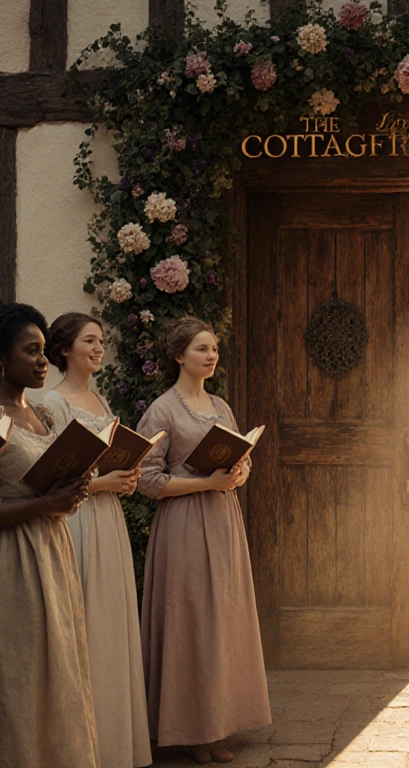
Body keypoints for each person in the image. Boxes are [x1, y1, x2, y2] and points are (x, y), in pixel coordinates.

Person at [0, 300, 98, 767]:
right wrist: (44, 505)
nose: (43, 360)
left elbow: (48, 484)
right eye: (31, 351)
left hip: (52, 556)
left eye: (44, 350)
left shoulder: (43, 415)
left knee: (57, 680)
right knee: (13, 685)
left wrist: (73, 488)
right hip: (6, 570)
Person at [136, 317, 270, 764]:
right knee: (191, 620)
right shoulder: (162, 410)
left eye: (213, 349)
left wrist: (239, 471)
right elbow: (147, 480)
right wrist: (206, 483)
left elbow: (238, 458)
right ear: (179, 356)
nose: (211, 356)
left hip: (223, 520)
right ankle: (191, 729)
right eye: (201, 349)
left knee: (222, 619)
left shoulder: (220, 405)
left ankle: (218, 723)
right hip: (184, 526)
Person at [44, 312, 152, 768]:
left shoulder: (100, 400)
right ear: (64, 349)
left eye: (101, 340)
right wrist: (105, 482)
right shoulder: (52, 403)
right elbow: (54, 476)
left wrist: (126, 477)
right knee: (84, 625)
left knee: (110, 627)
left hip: (108, 520)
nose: (98, 348)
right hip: (78, 520)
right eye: (89, 340)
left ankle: (114, 745)